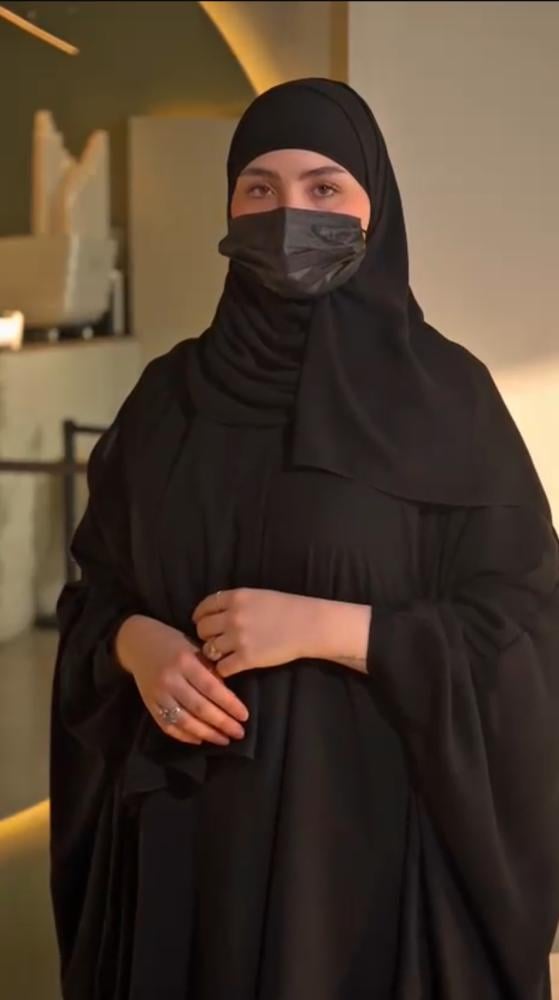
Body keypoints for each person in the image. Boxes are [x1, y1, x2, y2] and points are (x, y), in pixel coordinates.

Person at [50, 78, 559, 1000]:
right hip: (185, 849)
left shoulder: (446, 400)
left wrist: (337, 630)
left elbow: (524, 624)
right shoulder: (167, 399)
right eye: (259, 188)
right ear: (229, 208)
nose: (288, 214)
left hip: (368, 859)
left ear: (374, 206)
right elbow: (97, 591)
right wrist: (135, 645)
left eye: (324, 187)